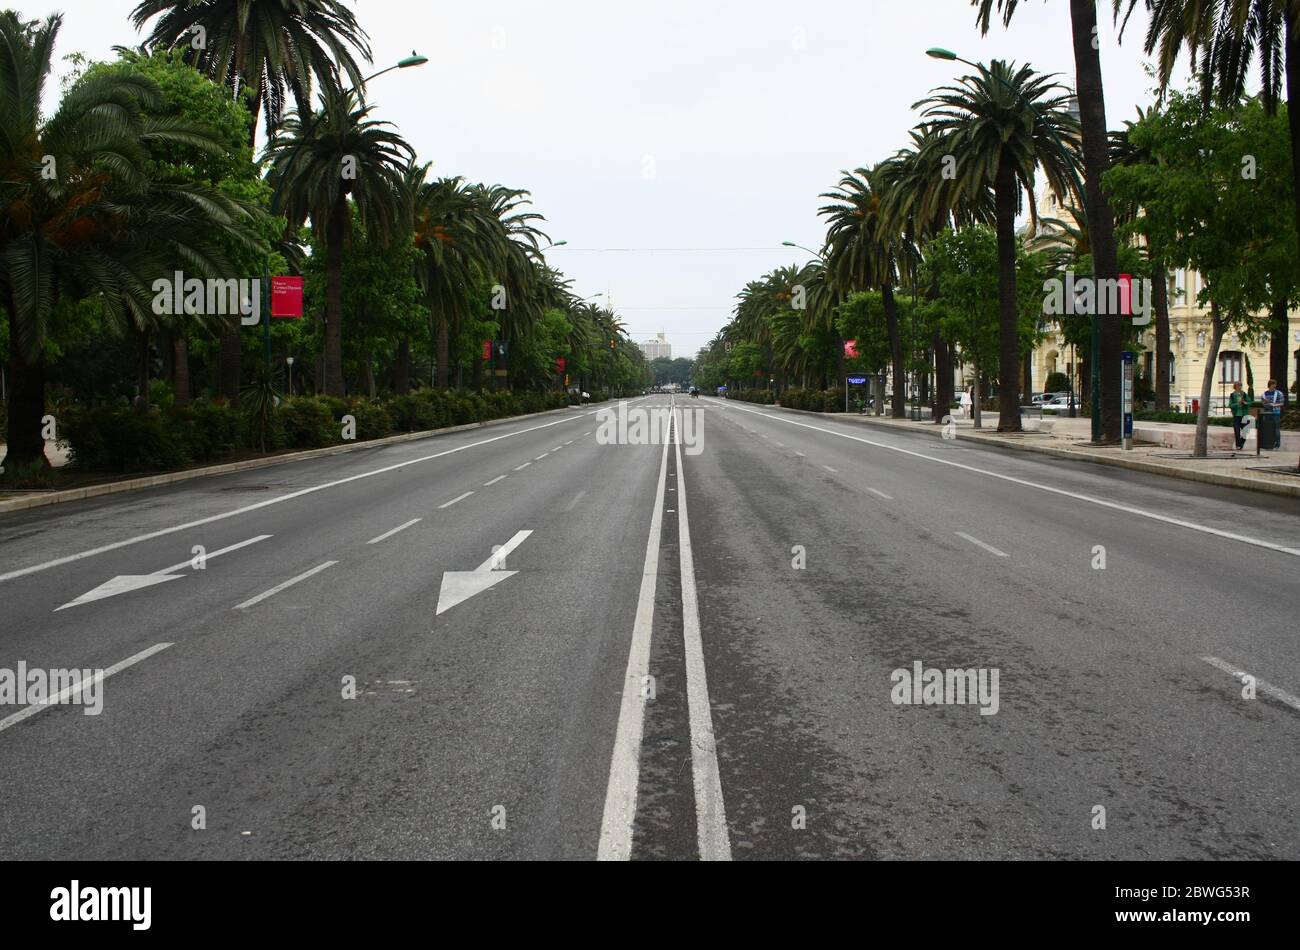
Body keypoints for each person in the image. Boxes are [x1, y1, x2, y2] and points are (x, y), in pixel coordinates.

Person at [1261, 378, 1286, 450]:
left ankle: (1277, 445)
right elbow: (1263, 403)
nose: (1274, 386)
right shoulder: (1264, 394)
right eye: (1272, 385)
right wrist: (1265, 402)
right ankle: (1267, 444)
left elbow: (1281, 403)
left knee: (1276, 429)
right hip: (1267, 413)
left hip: (1276, 413)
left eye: (1275, 385)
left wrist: (1274, 404)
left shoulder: (1279, 393)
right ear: (1269, 385)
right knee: (1267, 428)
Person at [1228, 382, 1252, 451]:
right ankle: (1238, 445)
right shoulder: (1232, 395)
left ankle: (1241, 442)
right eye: (1238, 385)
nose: (1240, 387)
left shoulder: (1244, 394)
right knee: (1237, 431)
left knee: (1246, 431)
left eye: (1241, 385)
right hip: (1237, 415)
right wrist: (1237, 404)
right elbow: (1230, 405)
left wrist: (1245, 403)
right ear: (1235, 387)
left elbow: (1250, 402)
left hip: (1244, 415)